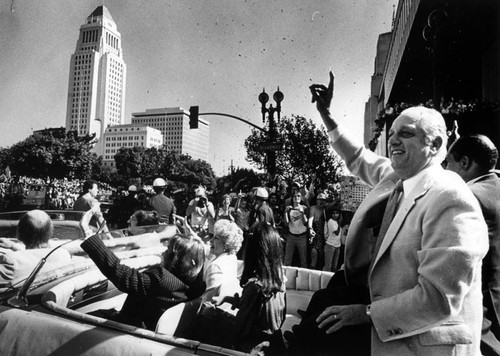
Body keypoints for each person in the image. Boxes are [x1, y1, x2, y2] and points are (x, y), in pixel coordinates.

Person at [297, 72, 488, 355]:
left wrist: (365, 313)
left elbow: (439, 298)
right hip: (387, 320)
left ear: (435, 145)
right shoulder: (397, 176)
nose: (394, 141)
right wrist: (326, 115)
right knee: (322, 310)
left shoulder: (451, 198)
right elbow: (358, 157)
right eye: (393, 133)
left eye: (407, 133)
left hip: (422, 343)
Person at [80, 205, 206, 331]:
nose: (163, 252)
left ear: (178, 260)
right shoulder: (196, 286)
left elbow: (118, 272)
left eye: (168, 250)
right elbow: (199, 259)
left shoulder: (161, 279)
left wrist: (87, 232)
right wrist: (193, 242)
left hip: (125, 329)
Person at [444, 134, 500, 356]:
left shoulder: (465, 196)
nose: (445, 169)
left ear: (465, 163)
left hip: (485, 310)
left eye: (448, 162)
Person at [211, 222, 286, 354]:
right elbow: (262, 311)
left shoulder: (255, 287)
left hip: (254, 349)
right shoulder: (280, 282)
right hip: (274, 344)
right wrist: (228, 299)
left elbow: (240, 328)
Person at [0, 210, 72, 288]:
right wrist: (13, 246)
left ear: (19, 234)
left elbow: (26, 260)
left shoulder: (10, 262)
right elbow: (35, 258)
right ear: (50, 232)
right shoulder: (64, 255)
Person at [203, 219, 243, 302]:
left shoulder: (216, 266)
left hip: (213, 310)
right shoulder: (232, 257)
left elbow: (208, 300)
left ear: (226, 244)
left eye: (216, 238)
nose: (211, 240)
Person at [283, 191, 309, 268]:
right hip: (291, 236)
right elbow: (286, 223)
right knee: (287, 260)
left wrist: (302, 213)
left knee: (303, 260)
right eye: (294, 196)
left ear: (301, 198)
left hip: (302, 237)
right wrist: (285, 212)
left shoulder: (304, 208)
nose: (296, 198)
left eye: (298, 196)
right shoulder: (289, 208)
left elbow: (306, 223)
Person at [308, 192, 327, 269]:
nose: (321, 201)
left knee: (322, 255)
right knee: (314, 251)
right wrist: (310, 228)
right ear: (316, 200)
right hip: (315, 232)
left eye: (323, 200)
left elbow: (335, 202)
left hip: (325, 235)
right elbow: (311, 219)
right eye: (319, 199)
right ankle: (312, 267)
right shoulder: (313, 208)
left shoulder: (326, 209)